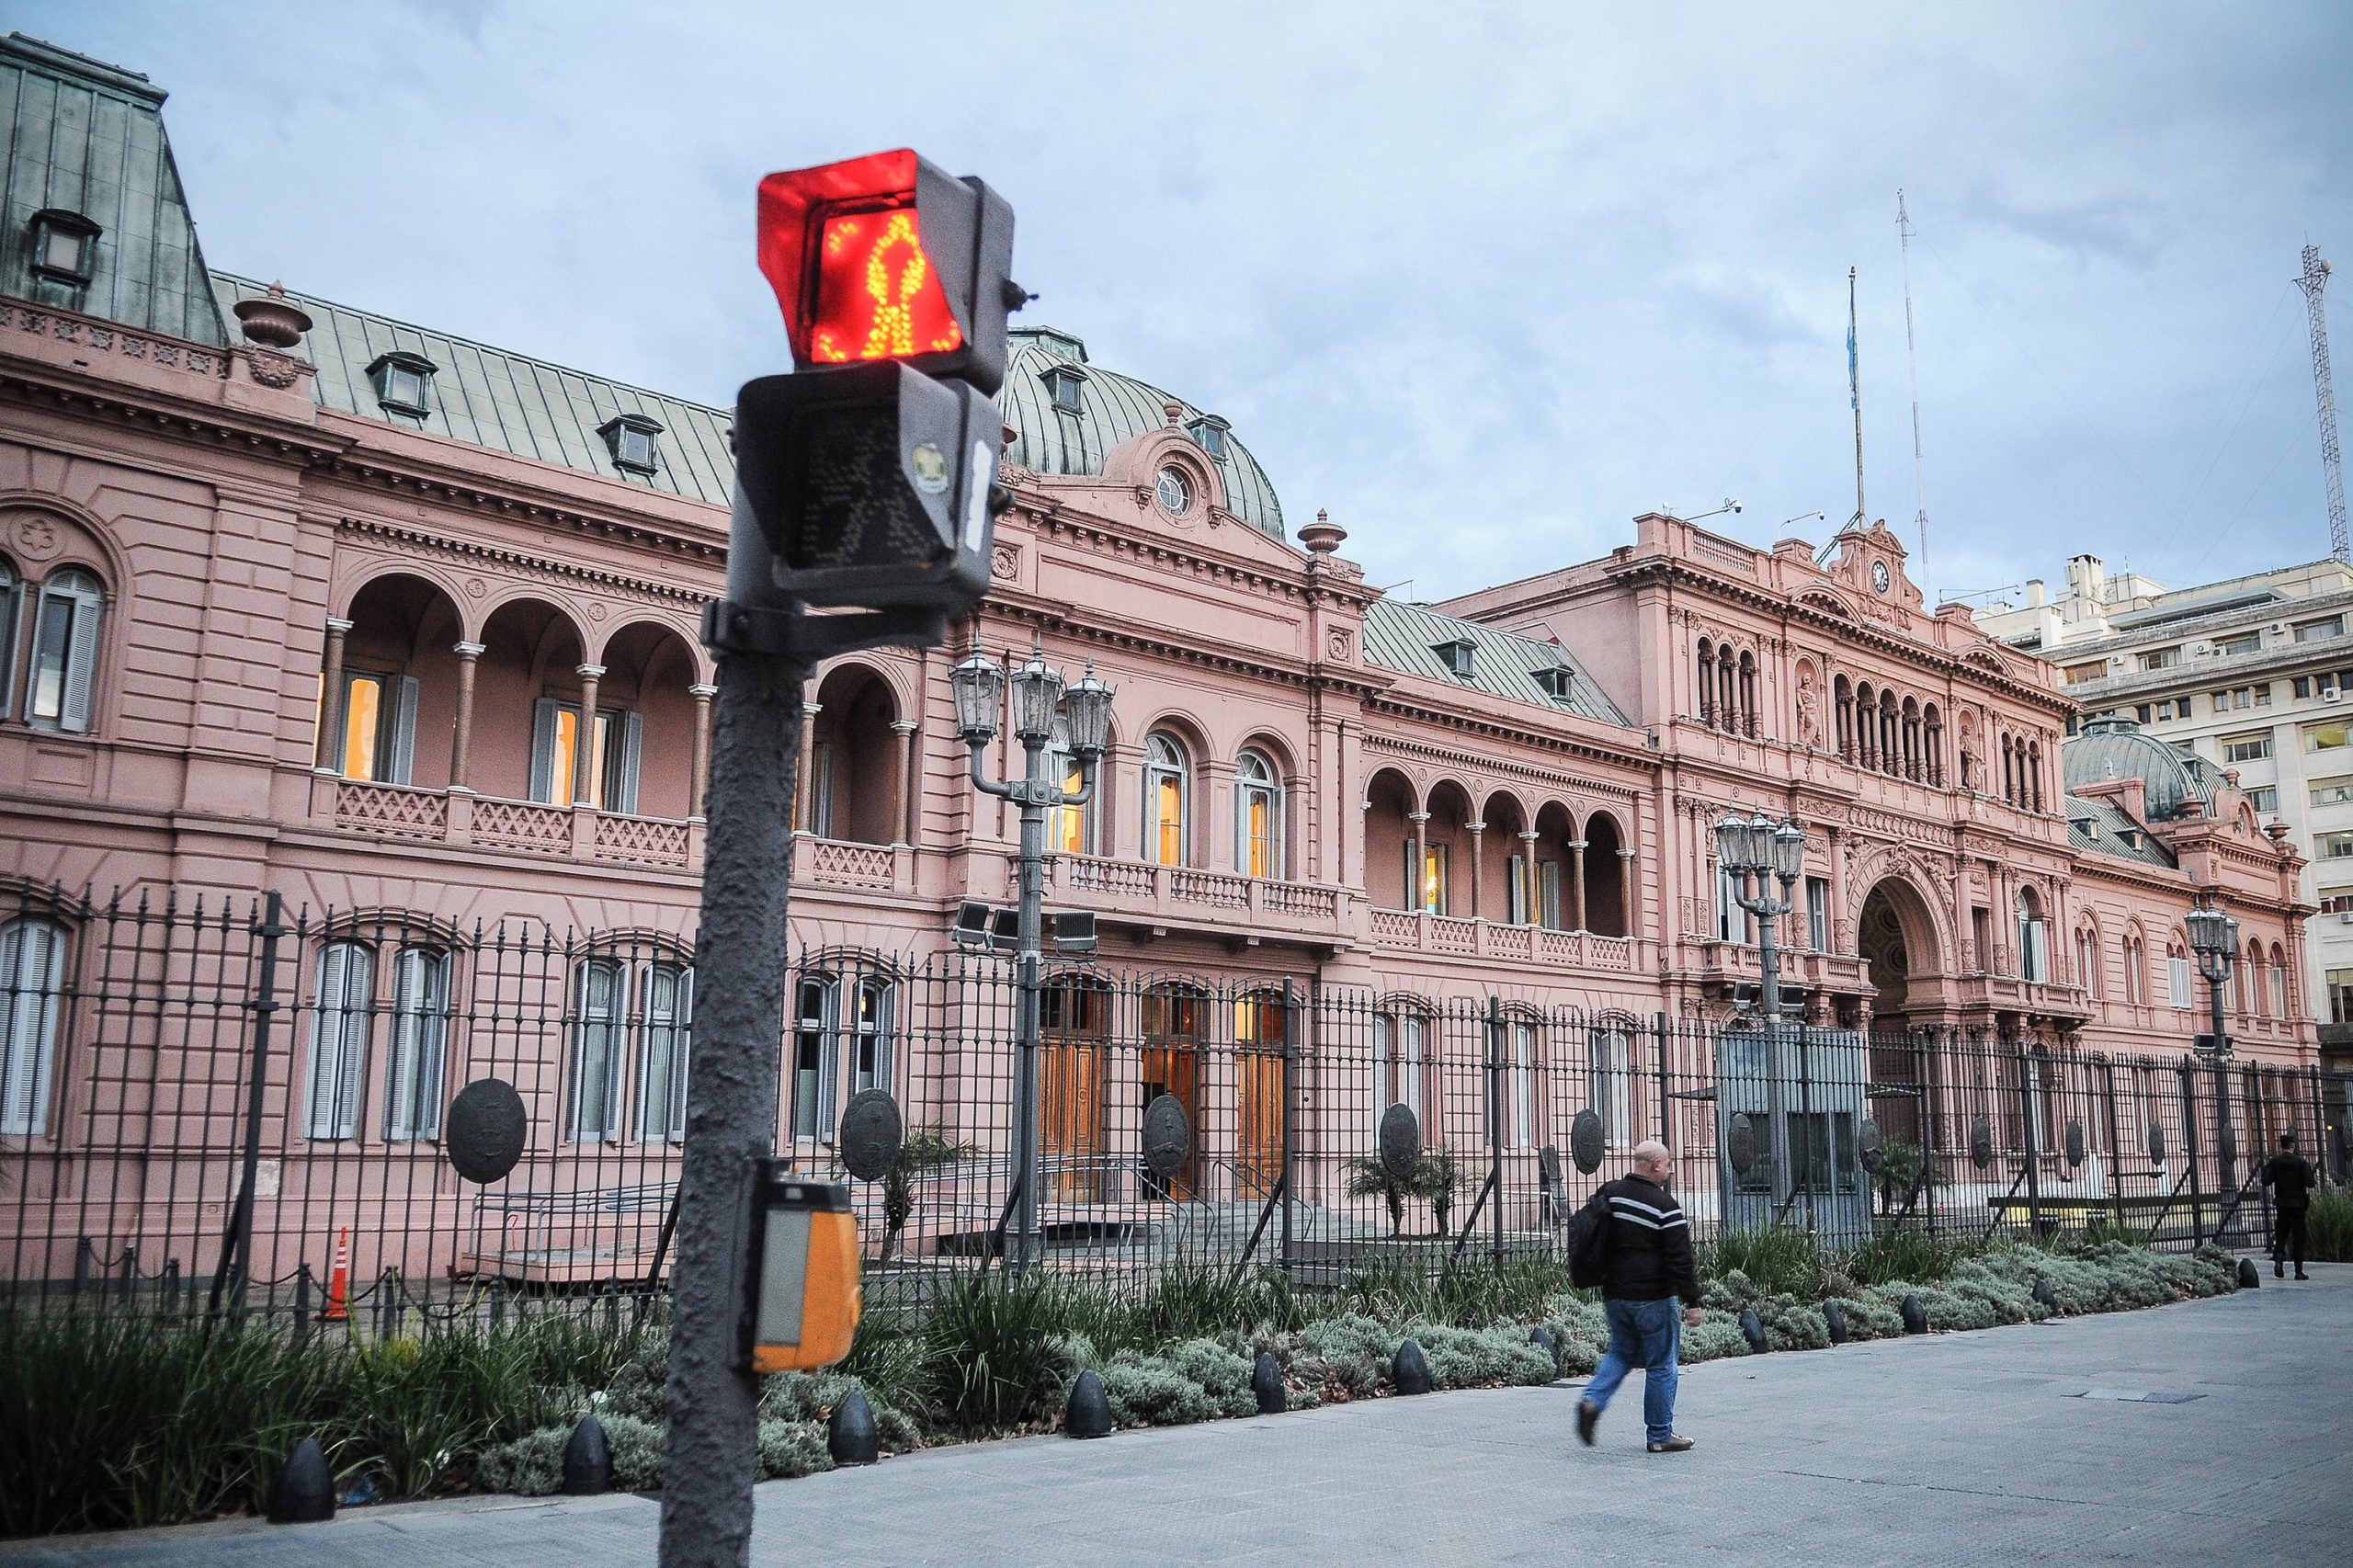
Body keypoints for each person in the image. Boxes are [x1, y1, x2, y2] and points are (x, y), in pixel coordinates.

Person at [1576, 1139, 1704, 1453]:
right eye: (1669, 1164)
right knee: (1662, 1363)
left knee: (1621, 1353)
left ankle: (1592, 1400)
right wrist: (1692, 1300)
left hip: (1615, 1293)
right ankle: (1660, 1435)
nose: (1671, 1170)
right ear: (1656, 1164)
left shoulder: (1610, 1192)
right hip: (1654, 1295)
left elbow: (1589, 1229)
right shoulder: (1664, 1206)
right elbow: (1680, 1259)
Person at [2262, 1131, 2317, 1280]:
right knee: (2299, 1237)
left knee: (2281, 1234)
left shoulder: (2275, 1162)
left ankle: (2278, 1261)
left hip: (2282, 1204)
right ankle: (2298, 1271)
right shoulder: (2301, 1162)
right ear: (2293, 1145)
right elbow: (2310, 1183)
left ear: (2281, 1146)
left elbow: (2265, 1181)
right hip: (2298, 1205)